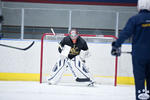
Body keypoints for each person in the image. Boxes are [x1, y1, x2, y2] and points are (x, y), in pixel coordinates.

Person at [111, 0, 150, 99]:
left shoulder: (135, 19)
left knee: (139, 78)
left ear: (139, 7)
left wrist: (116, 45)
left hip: (139, 55)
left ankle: (140, 95)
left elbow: (125, 33)